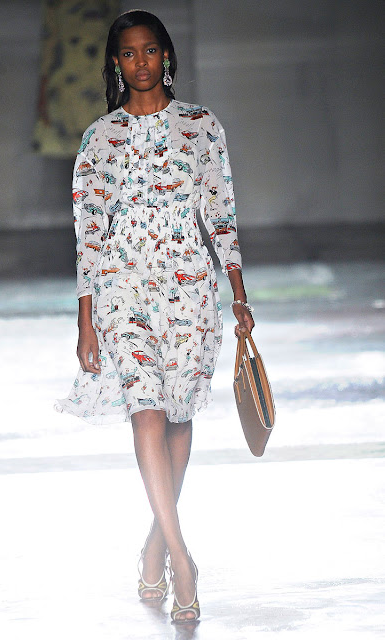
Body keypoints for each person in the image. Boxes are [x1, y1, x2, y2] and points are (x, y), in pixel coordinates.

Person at [56, 9, 254, 624]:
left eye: (149, 51)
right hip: (122, 287)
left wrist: (239, 295)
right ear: (116, 64)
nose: (139, 62)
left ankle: (154, 544)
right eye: (128, 53)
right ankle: (181, 558)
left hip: (190, 289)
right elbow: (89, 232)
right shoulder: (99, 139)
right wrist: (86, 317)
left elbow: (222, 212)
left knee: (177, 417)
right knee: (145, 408)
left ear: (166, 55)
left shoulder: (201, 126)